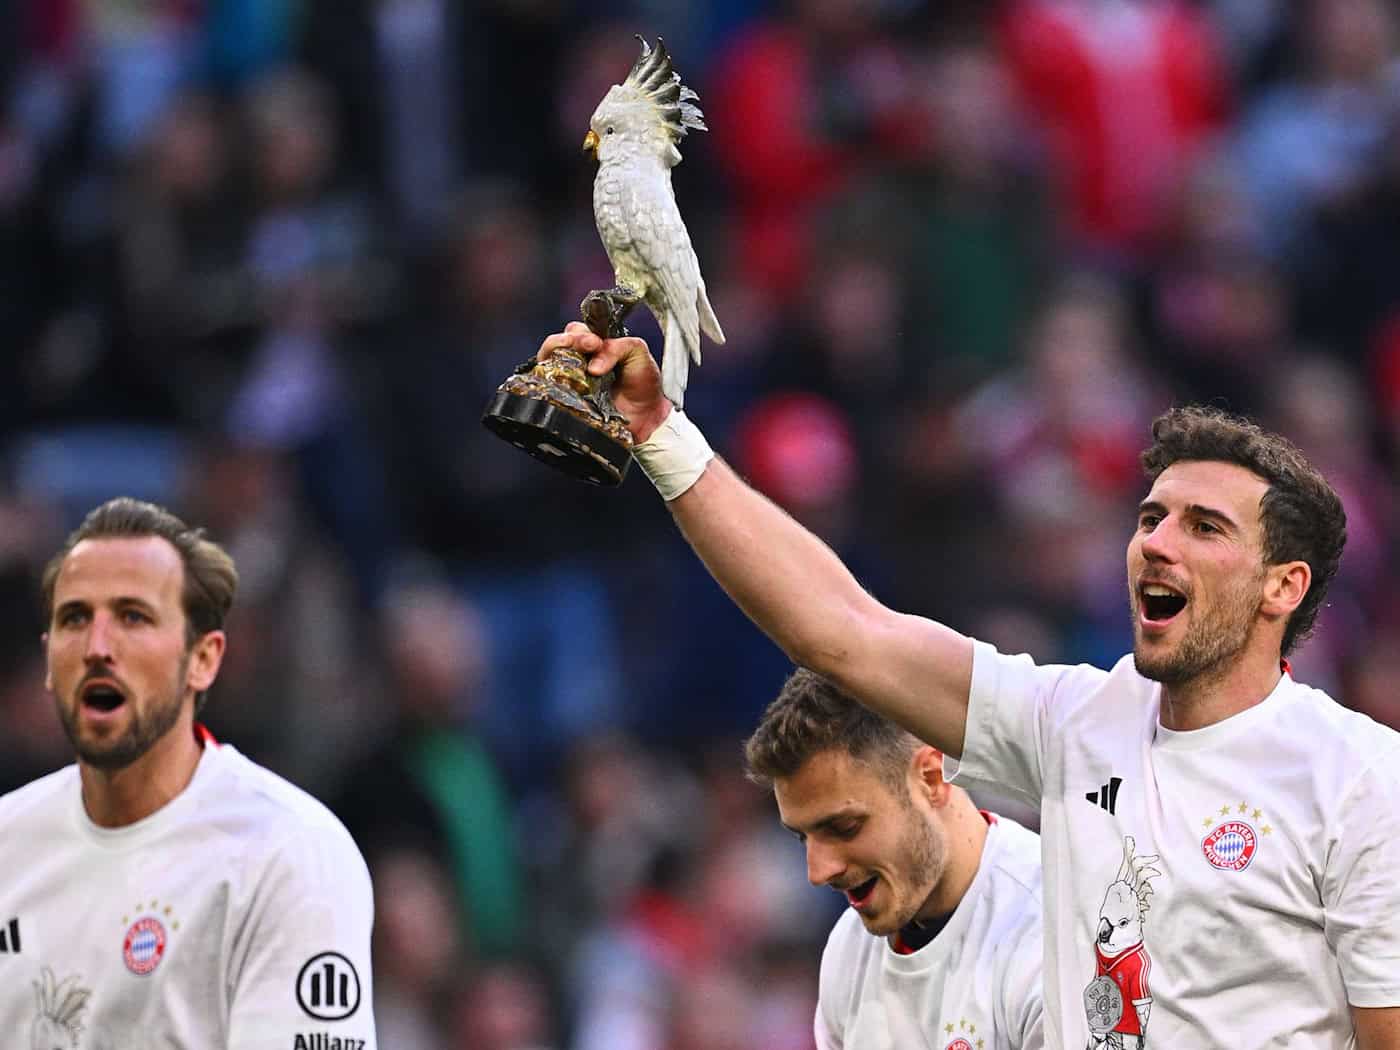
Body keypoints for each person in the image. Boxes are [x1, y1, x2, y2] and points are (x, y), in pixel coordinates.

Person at [535, 322, 1400, 1049]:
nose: (1156, 543)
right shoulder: (1076, 722)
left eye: (1202, 526)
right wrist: (658, 431)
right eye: (1149, 518)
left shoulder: (1360, 779)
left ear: (1281, 588)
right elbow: (841, 630)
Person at [0, 497, 377, 1047]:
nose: (98, 647)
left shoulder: (289, 855)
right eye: (75, 618)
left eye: (133, 617)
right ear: (48, 659)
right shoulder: (7, 841)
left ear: (203, 659)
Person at [745, 666, 1044, 1049]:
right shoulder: (848, 951)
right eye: (803, 837)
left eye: (845, 827)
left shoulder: (1053, 937)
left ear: (931, 780)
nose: (818, 872)